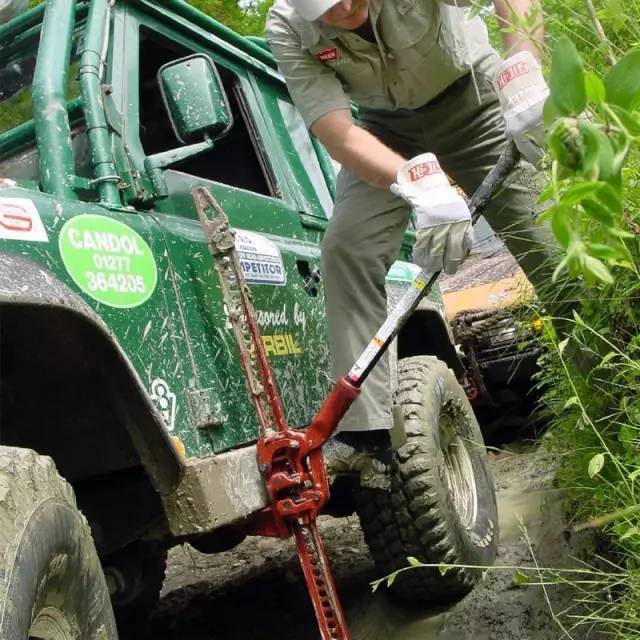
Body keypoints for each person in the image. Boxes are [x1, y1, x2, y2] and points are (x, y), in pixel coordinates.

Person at [265, 0, 558, 481]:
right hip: (385, 130)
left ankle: (606, 377)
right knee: (346, 248)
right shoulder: (287, 26)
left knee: (545, 236)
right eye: (323, 5)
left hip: (473, 97)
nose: (341, 8)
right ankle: (368, 435)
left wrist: (523, 63)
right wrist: (408, 179)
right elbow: (336, 131)